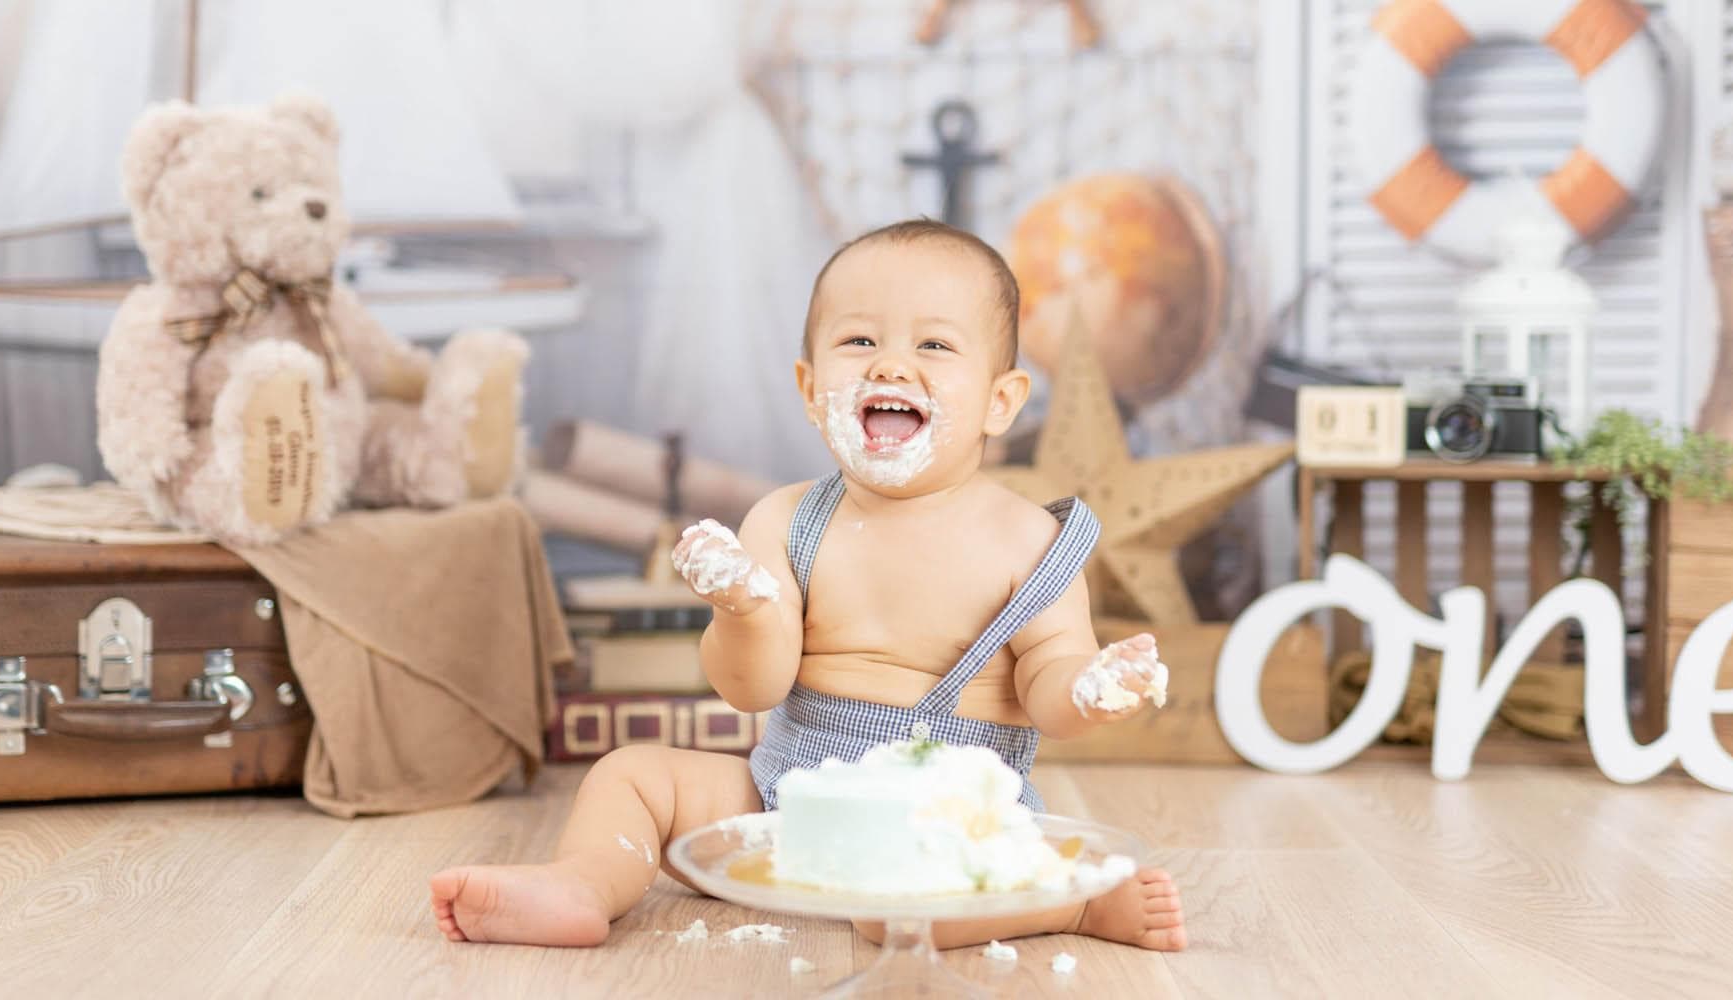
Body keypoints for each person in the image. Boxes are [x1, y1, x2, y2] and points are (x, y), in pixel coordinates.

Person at [430, 219, 1184, 952]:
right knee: (631, 774)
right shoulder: (787, 521)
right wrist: (744, 611)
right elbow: (753, 689)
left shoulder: (1028, 541)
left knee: (892, 913)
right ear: (811, 386)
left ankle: (1073, 900)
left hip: (946, 824)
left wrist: (1089, 688)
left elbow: (1049, 687)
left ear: (1000, 401)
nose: (891, 366)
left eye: (933, 344)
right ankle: (584, 883)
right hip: (786, 799)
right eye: (860, 341)